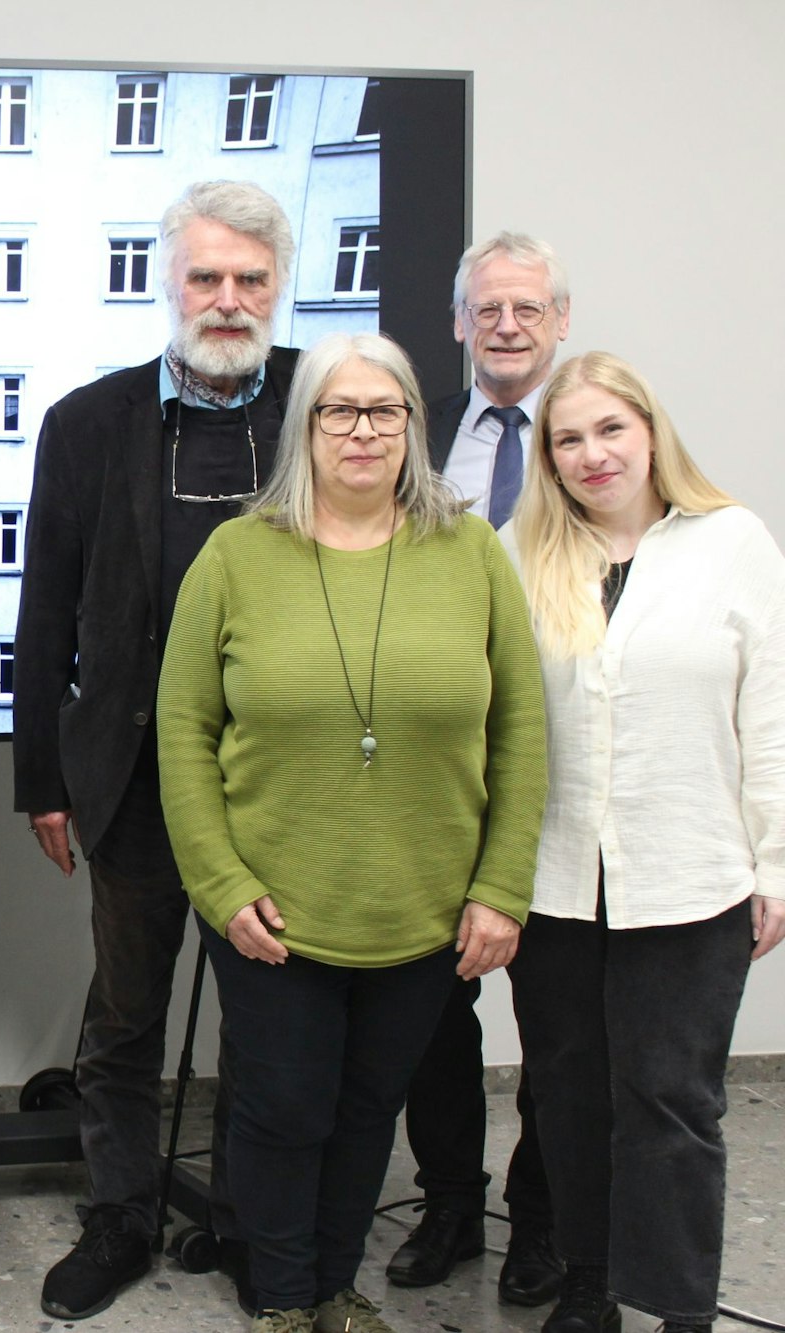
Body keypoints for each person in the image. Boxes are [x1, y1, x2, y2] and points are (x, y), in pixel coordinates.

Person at [156, 331, 548, 1333]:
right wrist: (220, 884)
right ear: (306, 427)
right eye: (340, 410)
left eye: (384, 410)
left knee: (369, 1112)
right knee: (281, 1116)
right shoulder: (237, 554)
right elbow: (183, 730)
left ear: (412, 425)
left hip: (418, 910)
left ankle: (335, 1286)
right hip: (272, 909)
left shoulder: (468, 551)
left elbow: (518, 724)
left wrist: (501, 887)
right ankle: (283, 1299)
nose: (363, 430)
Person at [14, 179, 301, 1319]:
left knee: (264, 1017)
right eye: (204, 277)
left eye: (247, 280)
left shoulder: (320, 409)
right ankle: (120, 1215)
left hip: (278, 785)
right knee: (125, 1014)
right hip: (128, 776)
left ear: (275, 290)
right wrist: (41, 774)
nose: (225, 300)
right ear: (164, 285)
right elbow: (43, 612)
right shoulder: (88, 421)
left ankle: (238, 1218)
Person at [506, 352, 785, 1333]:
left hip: (688, 879)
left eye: (608, 429)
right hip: (555, 886)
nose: (590, 454)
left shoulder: (730, 543)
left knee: (670, 1102)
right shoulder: (521, 553)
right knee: (569, 1097)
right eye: (566, 439)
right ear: (546, 458)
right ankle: (587, 1280)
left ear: (650, 431)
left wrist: (773, 866)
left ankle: (674, 1304)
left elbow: (771, 716)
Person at [393, 230, 572, 1302]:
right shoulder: (420, 448)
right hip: (440, 772)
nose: (506, 326)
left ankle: (540, 1218)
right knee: (430, 1014)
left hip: (560, 769)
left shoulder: (595, 442)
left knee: (553, 1024)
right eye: (486, 309)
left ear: (558, 322)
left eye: (527, 309)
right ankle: (449, 1206)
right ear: (458, 323)